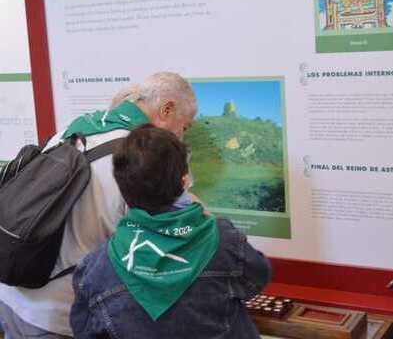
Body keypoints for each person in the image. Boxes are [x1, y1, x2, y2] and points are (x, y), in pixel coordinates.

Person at [0, 72, 197, 338]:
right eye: (184, 127)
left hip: (13, 296)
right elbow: (155, 250)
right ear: (167, 109)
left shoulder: (78, 127)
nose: (181, 137)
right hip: (59, 315)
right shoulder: (142, 159)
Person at [70, 124, 271, 339]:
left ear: (122, 186)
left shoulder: (95, 268)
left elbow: (85, 330)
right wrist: (206, 217)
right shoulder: (224, 241)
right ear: (184, 181)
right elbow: (258, 277)